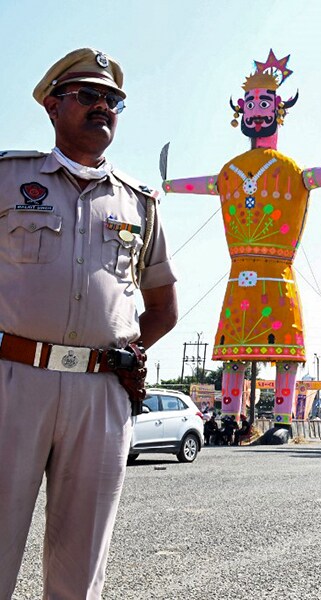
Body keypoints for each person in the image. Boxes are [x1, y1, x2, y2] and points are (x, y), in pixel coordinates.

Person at [0, 48, 178, 598]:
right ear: (53, 106)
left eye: (113, 100)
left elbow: (163, 308)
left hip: (101, 392)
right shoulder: (7, 178)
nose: (103, 106)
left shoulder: (140, 203)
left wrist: (123, 353)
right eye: (88, 95)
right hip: (13, 380)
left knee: (80, 569)